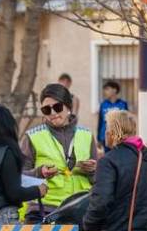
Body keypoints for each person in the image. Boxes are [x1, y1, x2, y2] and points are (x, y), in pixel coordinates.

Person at [21, 83, 99, 223]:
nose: (53, 113)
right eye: (46, 110)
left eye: (57, 107)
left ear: (68, 107)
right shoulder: (32, 137)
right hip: (43, 210)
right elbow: (20, 176)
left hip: (79, 209)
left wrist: (93, 171)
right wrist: (39, 172)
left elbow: (97, 181)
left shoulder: (87, 135)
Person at [83, 110, 147, 231]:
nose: (105, 133)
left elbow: (101, 200)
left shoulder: (108, 161)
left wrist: (90, 225)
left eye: (107, 128)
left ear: (113, 133)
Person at [97, 80, 129, 152]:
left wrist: (127, 137)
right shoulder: (103, 104)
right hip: (106, 138)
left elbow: (127, 122)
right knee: (108, 159)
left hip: (120, 138)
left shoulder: (123, 104)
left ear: (114, 90)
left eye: (107, 89)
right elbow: (100, 122)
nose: (105, 92)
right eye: (105, 90)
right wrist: (99, 139)